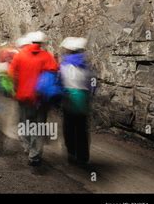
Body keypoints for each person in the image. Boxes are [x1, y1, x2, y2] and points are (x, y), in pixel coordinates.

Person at [9, 31, 58, 166]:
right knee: (38, 126)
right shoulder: (47, 56)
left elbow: (12, 74)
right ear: (42, 43)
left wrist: (16, 89)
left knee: (25, 122)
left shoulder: (20, 56)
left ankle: (27, 146)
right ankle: (35, 155)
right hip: (40, 98)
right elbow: (54, 73)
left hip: (24, 96)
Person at [59, 37, 92, 166]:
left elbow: (60, 82)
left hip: (69, 99)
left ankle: (71, 153)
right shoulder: (86, 65)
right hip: (83, 99)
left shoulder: (64, 65)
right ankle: (83, 157)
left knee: (69, 127)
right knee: (82, 129)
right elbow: (92, 84)